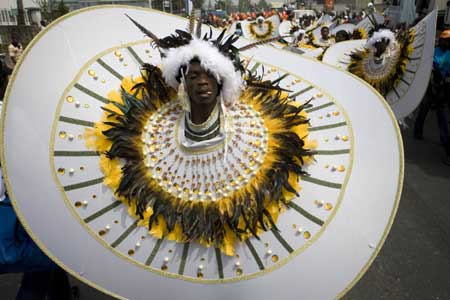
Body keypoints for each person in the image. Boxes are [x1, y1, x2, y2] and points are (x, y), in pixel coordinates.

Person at [414, 30, 450, 165]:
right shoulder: (433, 52)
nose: (447, 42)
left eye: (449, 40)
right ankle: (417, 131)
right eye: (445, 40)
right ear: (440, 40)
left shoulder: (449, 54)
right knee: (423, 111)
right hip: (430, 88)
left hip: (443, 91)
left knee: (443, 119)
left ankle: (446, 144)